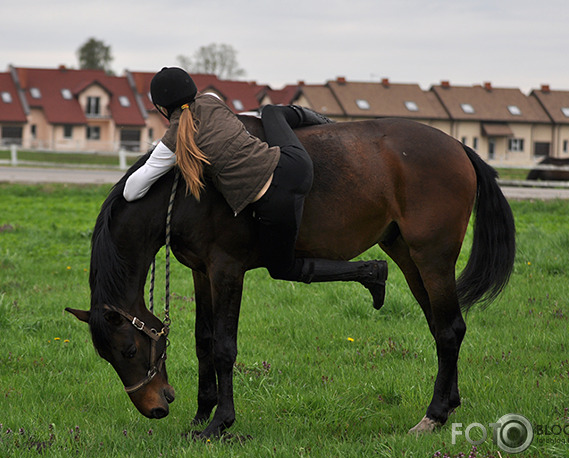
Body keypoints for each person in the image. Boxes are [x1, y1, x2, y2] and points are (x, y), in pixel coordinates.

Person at [124, 67, 387, 308]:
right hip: (294, 163)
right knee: (272, 112)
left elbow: (131, 191)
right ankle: (330, 126)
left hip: (277, 198)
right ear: (194, 91)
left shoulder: (171, 142)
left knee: (283, 269)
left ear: (161, 108)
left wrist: (166, 157)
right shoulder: (212, 100)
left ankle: (369, 272)